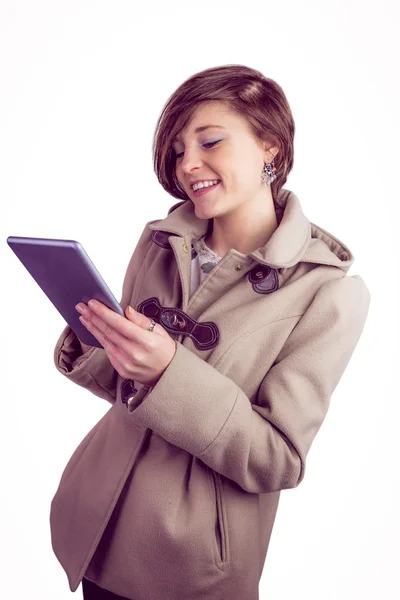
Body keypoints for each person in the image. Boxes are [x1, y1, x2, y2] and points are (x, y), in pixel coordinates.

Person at [50, 64, 371, 600]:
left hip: (191, 564)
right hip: (97, 524)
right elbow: (127, 392)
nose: (187, 164)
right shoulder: (160, 241)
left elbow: (277, 458)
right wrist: (98, 337)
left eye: (210, 141)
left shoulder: (329, 294)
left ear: (270, 146)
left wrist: (169, 374)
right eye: (177, 150)